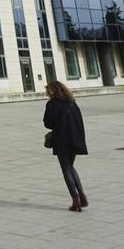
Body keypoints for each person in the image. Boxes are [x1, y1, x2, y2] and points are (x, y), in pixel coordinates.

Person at [43, 80, 88, 212]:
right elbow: (79, 121)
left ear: (52, 91)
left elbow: (48, 123)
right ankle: (81, 194)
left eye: (47, 91)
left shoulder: (52, 104)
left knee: (66, 169)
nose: (46, 93)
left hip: (61, 139)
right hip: (75, 138)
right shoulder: (72, 102)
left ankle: (76, 200)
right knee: (70, 166)